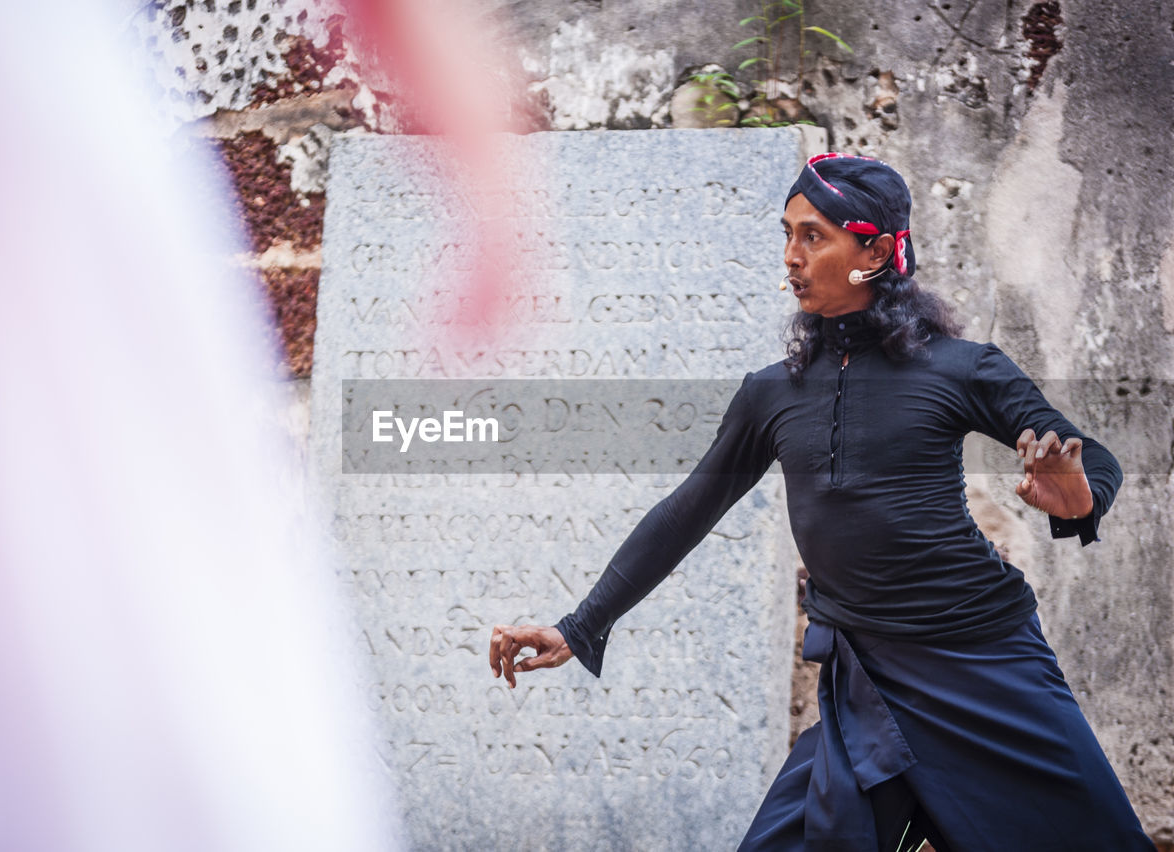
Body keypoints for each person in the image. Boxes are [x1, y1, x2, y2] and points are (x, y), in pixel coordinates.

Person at [488, 153, 1155, 851]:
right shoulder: (771, 392)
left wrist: (1074, 497)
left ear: (874, 250)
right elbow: (688, 510)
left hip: (988, 669)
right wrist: (580, 625)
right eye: (787, 235)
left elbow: (1091, 461)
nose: (791, 257)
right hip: (866, 687)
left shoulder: (962, 368)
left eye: (814, 236)